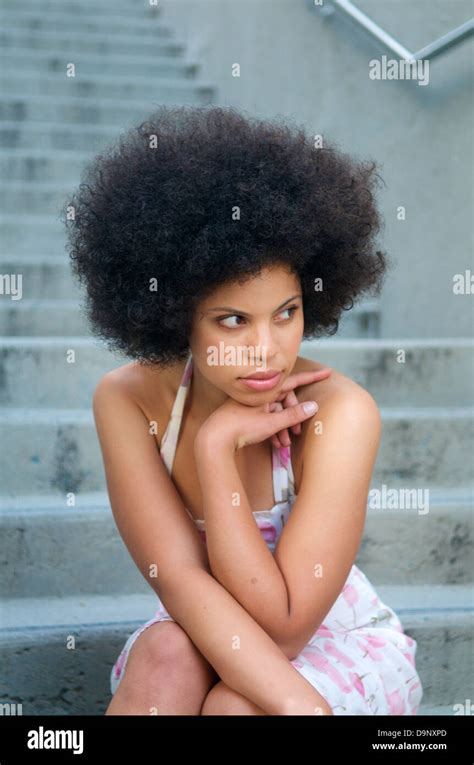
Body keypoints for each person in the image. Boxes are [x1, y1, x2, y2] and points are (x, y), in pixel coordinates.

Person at [64, 105, 423, 716]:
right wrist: (212, 446)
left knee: (236, 708)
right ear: (177, 316)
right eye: (233, 320)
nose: (268, 350)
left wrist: (304, 708)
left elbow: (285, 629)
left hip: (329, 639)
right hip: (204, 626)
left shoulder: (341, 412)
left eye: (286, 312)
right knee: (165, 658)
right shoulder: (127, 400)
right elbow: (179, 579)